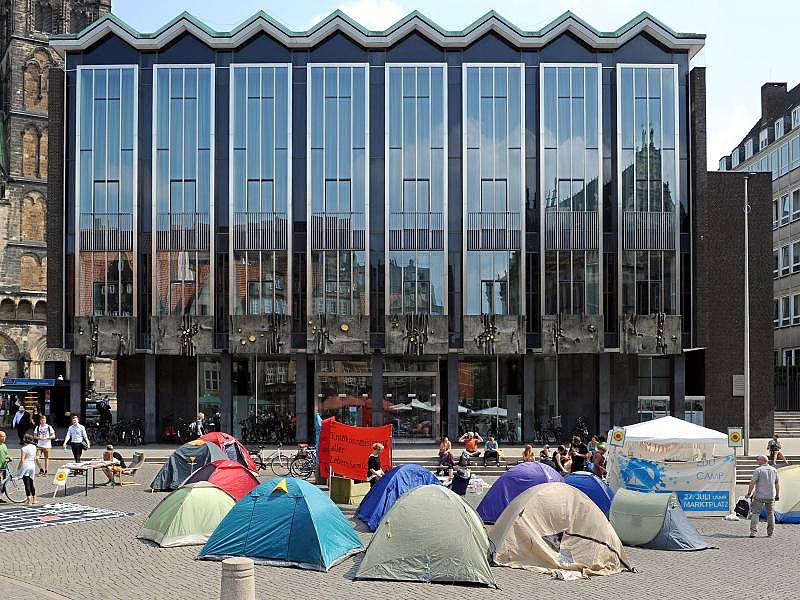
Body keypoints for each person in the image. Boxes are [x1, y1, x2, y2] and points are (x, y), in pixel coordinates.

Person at [747, 455, 780, 538]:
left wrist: (749, 493)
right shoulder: (774, 470)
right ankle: (770, 533)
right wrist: (777, 495)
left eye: (758, 459)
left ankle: (753, 532)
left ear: (763, 460)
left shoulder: (758, 470)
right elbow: (777, 483)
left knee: (755, 513)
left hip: (759, 495)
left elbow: (752, 482)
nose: (757, 461)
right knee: (770, 514)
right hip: (770, 495)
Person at [18, 433, 41, 505]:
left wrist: (18, 468)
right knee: (31, 483)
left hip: (26, 465)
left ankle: (29, 500)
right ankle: (34, 499)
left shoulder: (24, 449)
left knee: (26, 484)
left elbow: (22, 460)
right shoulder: (34, 447)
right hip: (32, 465)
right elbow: (35, 457)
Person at [0, 430, 9, 503]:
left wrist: (9, 457)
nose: (4, 438)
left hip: (3, 467)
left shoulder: (4, 445)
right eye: (2, 436)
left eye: (4, 436)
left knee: (2, 483)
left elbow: (6, 454)